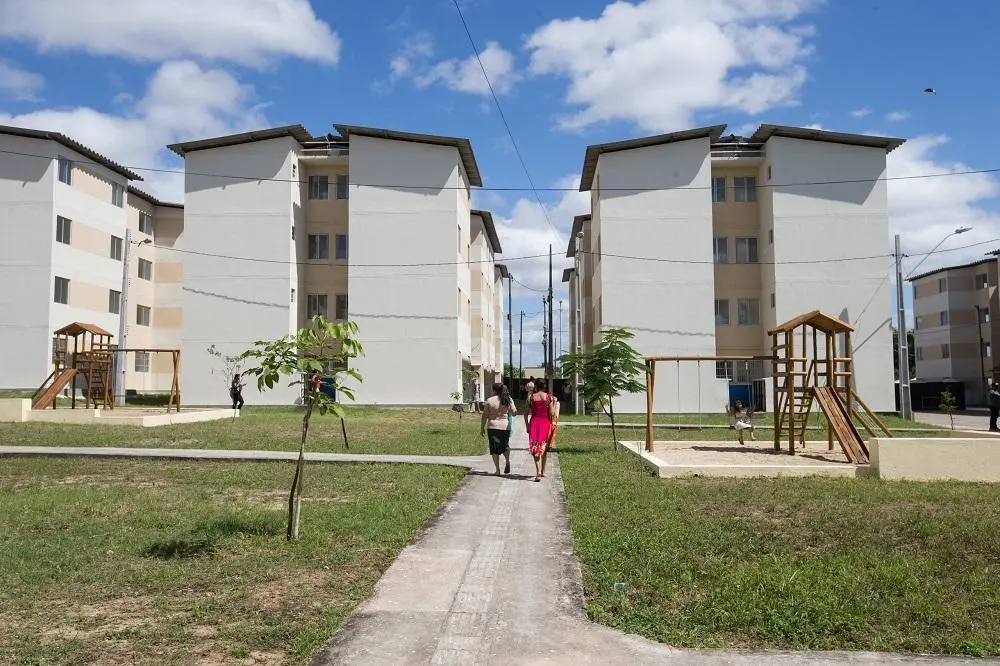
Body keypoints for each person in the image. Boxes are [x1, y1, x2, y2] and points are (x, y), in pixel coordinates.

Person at [481, 382, 516, 476]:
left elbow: (484, 415)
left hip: (492, 426)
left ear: (495, 390)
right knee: (505, 445)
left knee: (494, 448)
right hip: (505, 426)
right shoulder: (508, 399)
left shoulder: (489, 400)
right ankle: (507, 460)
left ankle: (497, 470)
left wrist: (482, 427)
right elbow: (514, 412)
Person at [524, 381, 555, 482]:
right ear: (545, 386)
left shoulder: (531, 398)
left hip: (534, 423)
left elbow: (525, 414)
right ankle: (543, 471)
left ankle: (538, 472)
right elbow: (551, 413)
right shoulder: (549, 397)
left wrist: (527, 426)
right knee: (544, 446)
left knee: (535, 446)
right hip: (545, 423)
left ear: (536, 387)